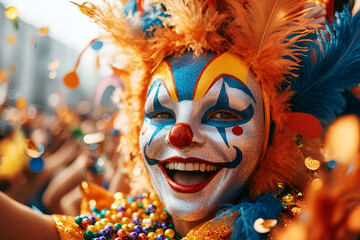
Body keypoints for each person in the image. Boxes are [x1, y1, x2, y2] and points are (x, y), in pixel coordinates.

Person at [1, 0, 360, 239]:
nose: (179, 134)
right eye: (159, 113)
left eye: (223, 112)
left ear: (272, 137)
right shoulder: (134, 223)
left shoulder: (299, 227)